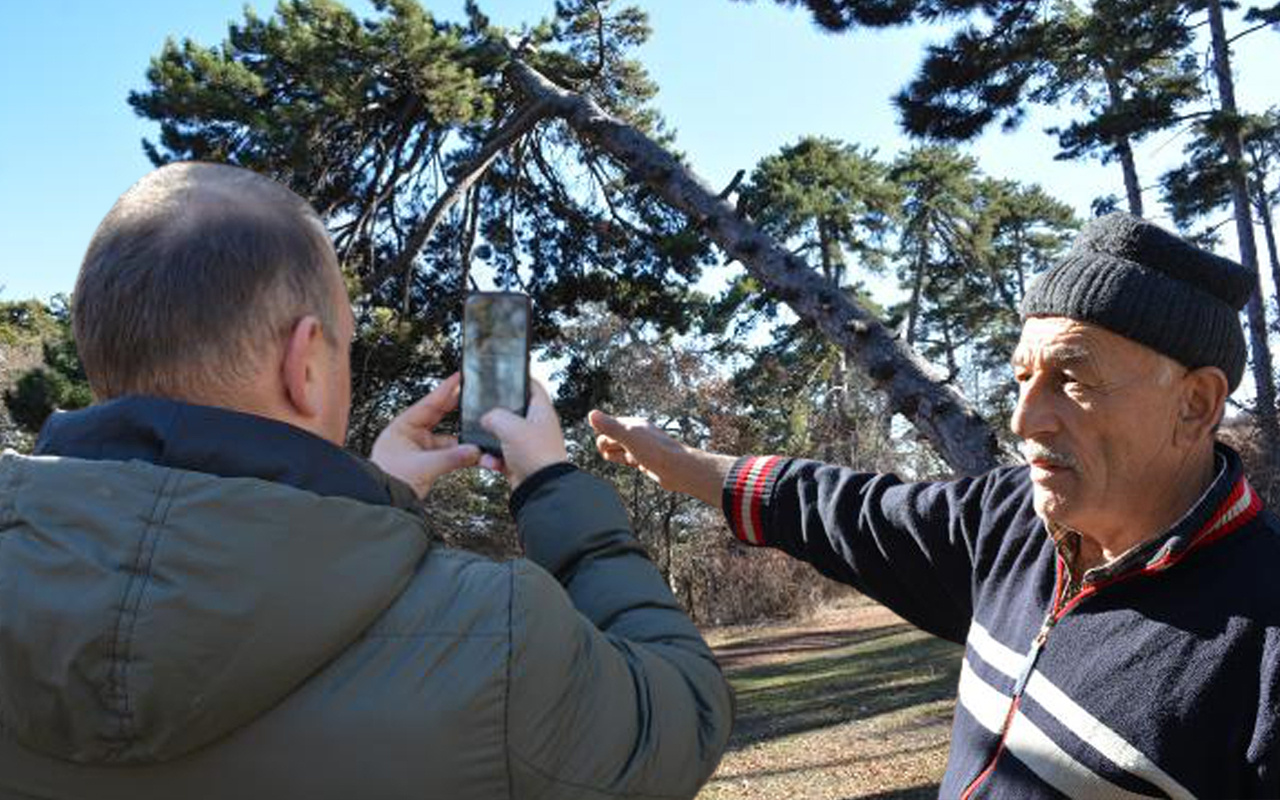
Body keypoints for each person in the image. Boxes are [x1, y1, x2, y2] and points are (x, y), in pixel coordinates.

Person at [0, 162, 731, 800]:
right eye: (345, 343)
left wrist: (375, 493)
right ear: (306, 362)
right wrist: (554, 487)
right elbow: (682, 715)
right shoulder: (494, 642)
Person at [590, 212, 1280, 797]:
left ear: (1196, 405)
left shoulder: (1265, 636)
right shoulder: (1010, 523)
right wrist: (679, 464)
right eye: (1022, 378)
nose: (1024, 420)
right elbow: (842, 510)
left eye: (1071, 379)